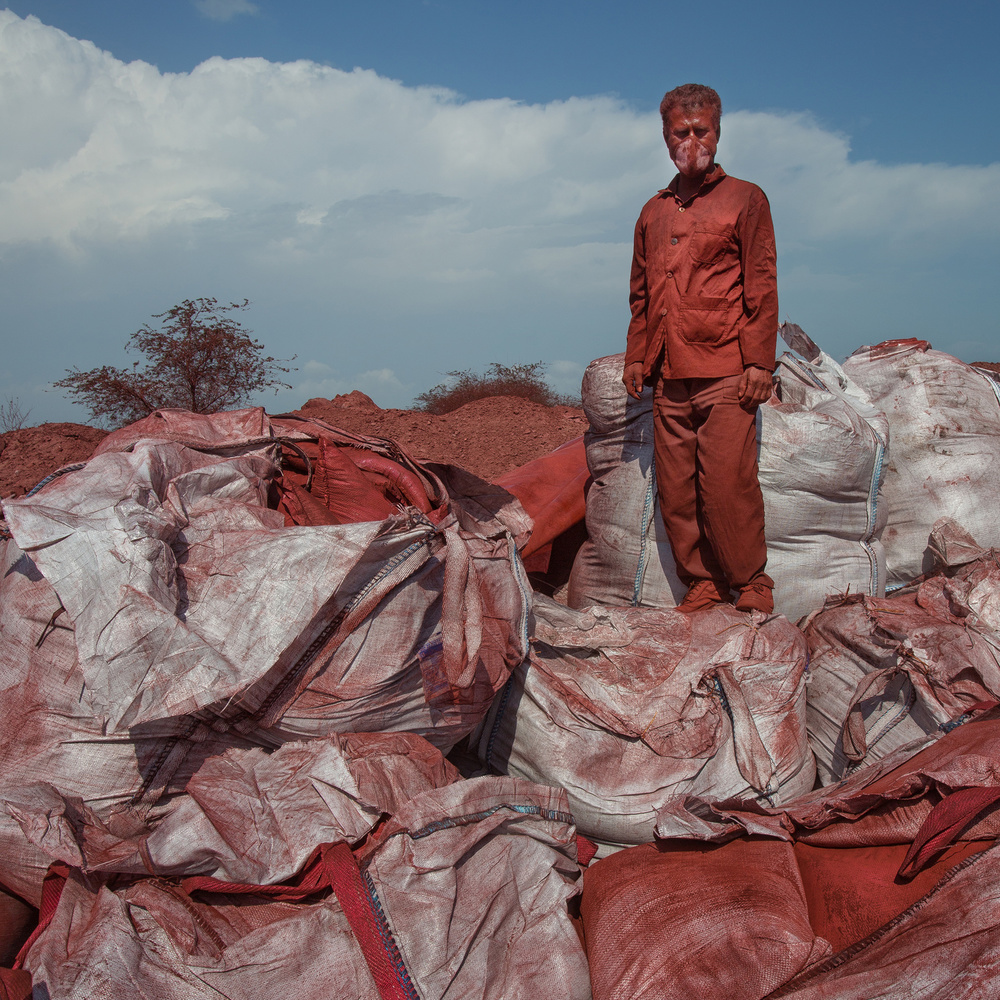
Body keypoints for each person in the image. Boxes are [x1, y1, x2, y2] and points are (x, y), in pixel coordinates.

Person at [622, 83, 778, 614]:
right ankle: (702, 583)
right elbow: (641, 294)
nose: (691, 140)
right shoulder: (653, 211)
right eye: (679, 132)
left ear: (717, 131)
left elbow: (761, 282)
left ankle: (752, 582)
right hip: (669, 374)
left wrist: (759, 361)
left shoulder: (745, 198)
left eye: (700, 130)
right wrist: (636, 356)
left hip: (726, 370)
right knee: (677, 487)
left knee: (727, 483)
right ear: (666, 138)